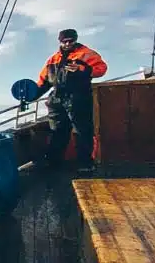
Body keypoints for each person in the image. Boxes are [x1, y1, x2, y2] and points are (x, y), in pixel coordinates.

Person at [34, 28, 107, 170]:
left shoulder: (86, 54)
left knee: (82, 130)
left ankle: (85, 164)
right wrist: (32, 95)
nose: (67, 44)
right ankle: (53, 162)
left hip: (78, 96)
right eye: (64, 41)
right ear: (60, 41)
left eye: (70, 41)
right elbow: (44, 81)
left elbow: (102, 69)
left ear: (75, 39)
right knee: (57, 131)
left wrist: (83, 69)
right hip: (57, 99)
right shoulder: (53, 59)